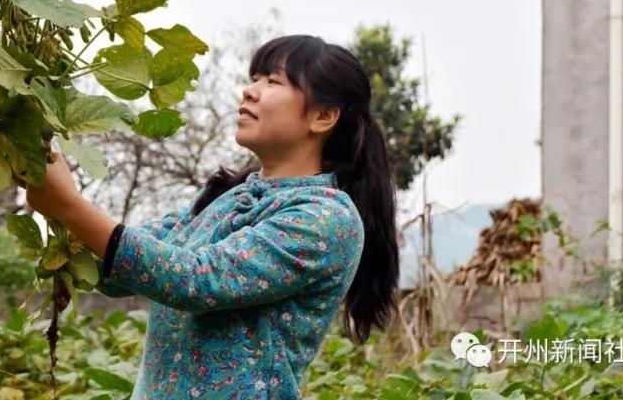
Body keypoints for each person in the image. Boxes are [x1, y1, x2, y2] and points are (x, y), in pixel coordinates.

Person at [25, 34, 400, 399]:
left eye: (273, 81)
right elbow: (124, 271)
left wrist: (69, 205)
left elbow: (194, 279)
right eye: (254, 79)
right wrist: (35, 156)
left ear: (323, 116)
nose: (250, 91)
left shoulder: (326, 218)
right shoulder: (228, 198)